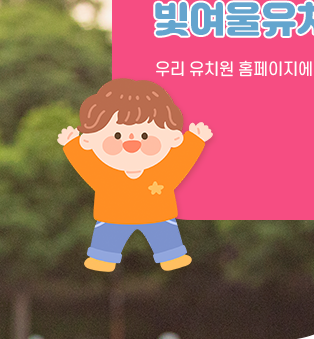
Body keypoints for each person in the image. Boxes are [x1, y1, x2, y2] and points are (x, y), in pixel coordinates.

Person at [58, 79, 213, 272]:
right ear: (90, 140)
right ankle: (103, 256)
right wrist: (73, 146)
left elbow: (181, 161)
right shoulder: (105, 174)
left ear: (173, 137)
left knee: (164, 234)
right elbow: (86, 165)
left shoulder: (163, 171)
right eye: (117, 135)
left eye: (145, 135)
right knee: (108, 237)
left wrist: (194, 140)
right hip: (115, 215)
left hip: (155, 213)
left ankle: (170, 254)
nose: (131, 143)